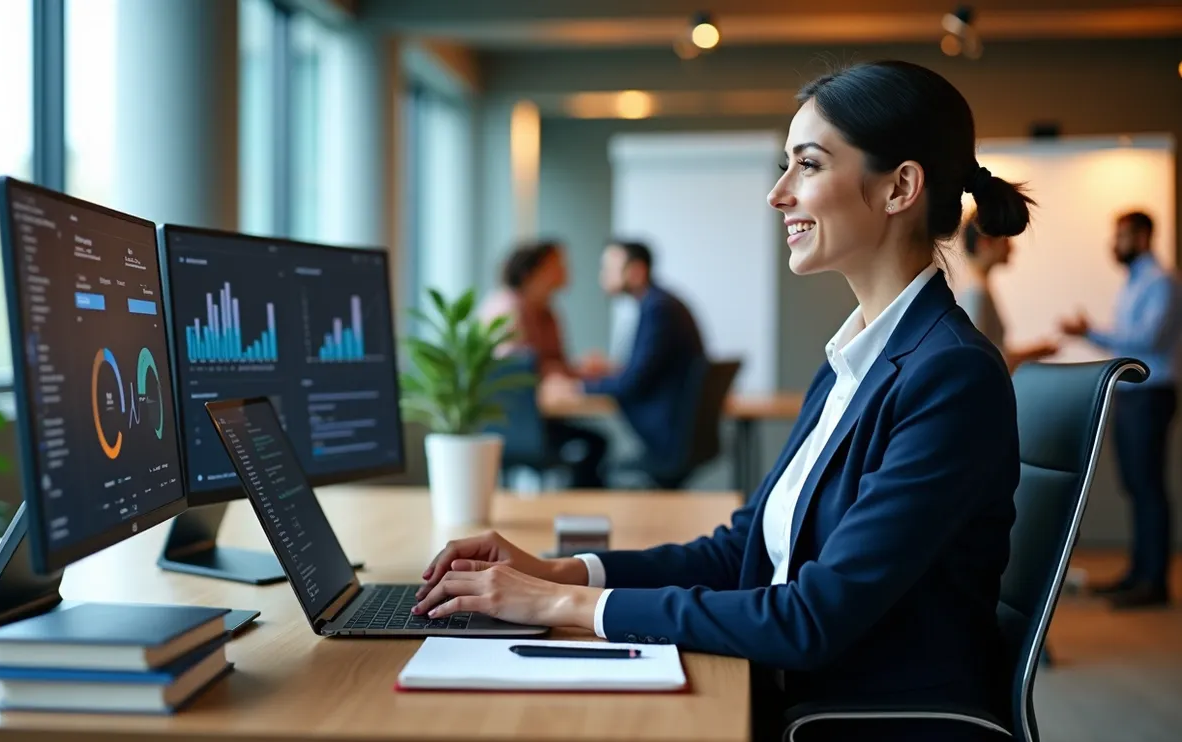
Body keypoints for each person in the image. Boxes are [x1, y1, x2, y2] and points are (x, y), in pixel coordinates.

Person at [413, 60, 1032, 742]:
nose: (778, 194)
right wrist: (556, 569)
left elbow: (811, 618)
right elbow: (742, 550)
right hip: (794, 687)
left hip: (860, 716)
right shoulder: (853, 361)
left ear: (899, 188)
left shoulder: (950, 376)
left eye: (808, 165)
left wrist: (564, 603)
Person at [1059, 211, 1180, 609]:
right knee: (1135, 487)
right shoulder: (1134, 282)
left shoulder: (1161, 281)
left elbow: (1145, 339)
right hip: (1131, 396)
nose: (1116, 244)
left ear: (1144, 237)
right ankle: (1137, 574)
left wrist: (1091, 331)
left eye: (1122, 236)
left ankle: (1154, 582)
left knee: (1148, 488)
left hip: (1151, 395)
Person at [540, 240, 706, 484]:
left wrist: (577, 388)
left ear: (636, 271)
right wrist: (609, 370)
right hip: (680, 430)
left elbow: (633, 382)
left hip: (668, 436)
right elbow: (645, 369)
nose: (602, 276)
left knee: (592, 463)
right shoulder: (659, 303)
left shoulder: (657, 309)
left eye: (609, 268)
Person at [477, 239, 610, 488]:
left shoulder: (547, 311)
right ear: (533, 272)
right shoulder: (505, 308)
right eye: (557, 265)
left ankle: (580, 517)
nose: (566, 271)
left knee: (596, 442)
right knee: (589, 445)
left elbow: (555, 363)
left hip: (542, 416)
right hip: (510, 422)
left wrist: (581, 369)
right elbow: (516, 371)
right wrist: (561, 372)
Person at [955, 210, 1061, 371]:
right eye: (1006, 240)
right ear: (985, 242)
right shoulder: (976, 292)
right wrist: (1036, 351)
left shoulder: (976, 287)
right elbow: (978, 360)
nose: (1012, 247)